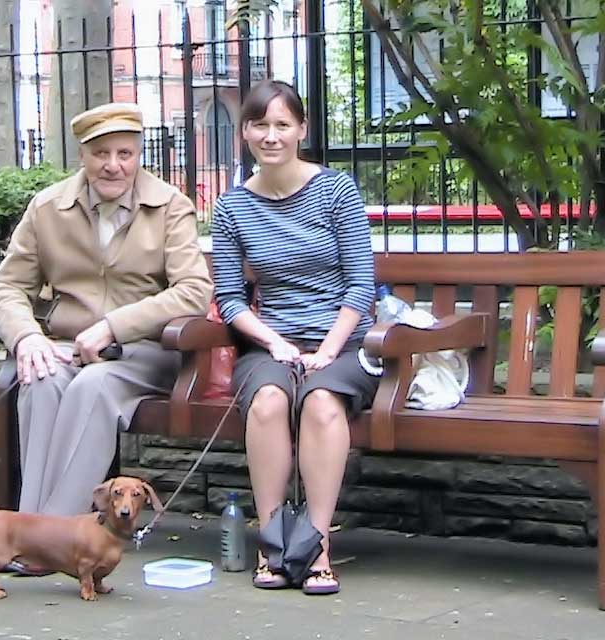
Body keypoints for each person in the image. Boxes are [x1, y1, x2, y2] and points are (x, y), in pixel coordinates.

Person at [0, 103, 213, 520]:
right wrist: (28, 337)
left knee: (93, 388)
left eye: (124, 154)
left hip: (145, 352)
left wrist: (113, 327)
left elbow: (194, 291)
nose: (113, 166)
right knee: (40, 380)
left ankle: (53, 534)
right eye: (101, 154)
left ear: (138, 156)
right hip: (66, 347)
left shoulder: (170, 207)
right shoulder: (47, 208)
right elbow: (7, 285)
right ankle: (33, 529)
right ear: (82, 156)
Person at [211, 80, 378, 595]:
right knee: (266, 403)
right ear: (244, 133)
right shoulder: (231, 207)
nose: (271, 135)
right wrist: (275, 343)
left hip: (344, 344)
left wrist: (327, 350)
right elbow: (231, 297)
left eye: (283, 124)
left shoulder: (336, 190)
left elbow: (361, 284)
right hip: (271, 345)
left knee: (323, 404)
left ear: (302, 130)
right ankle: (275, 545)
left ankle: (318, 544)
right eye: (260, 124)